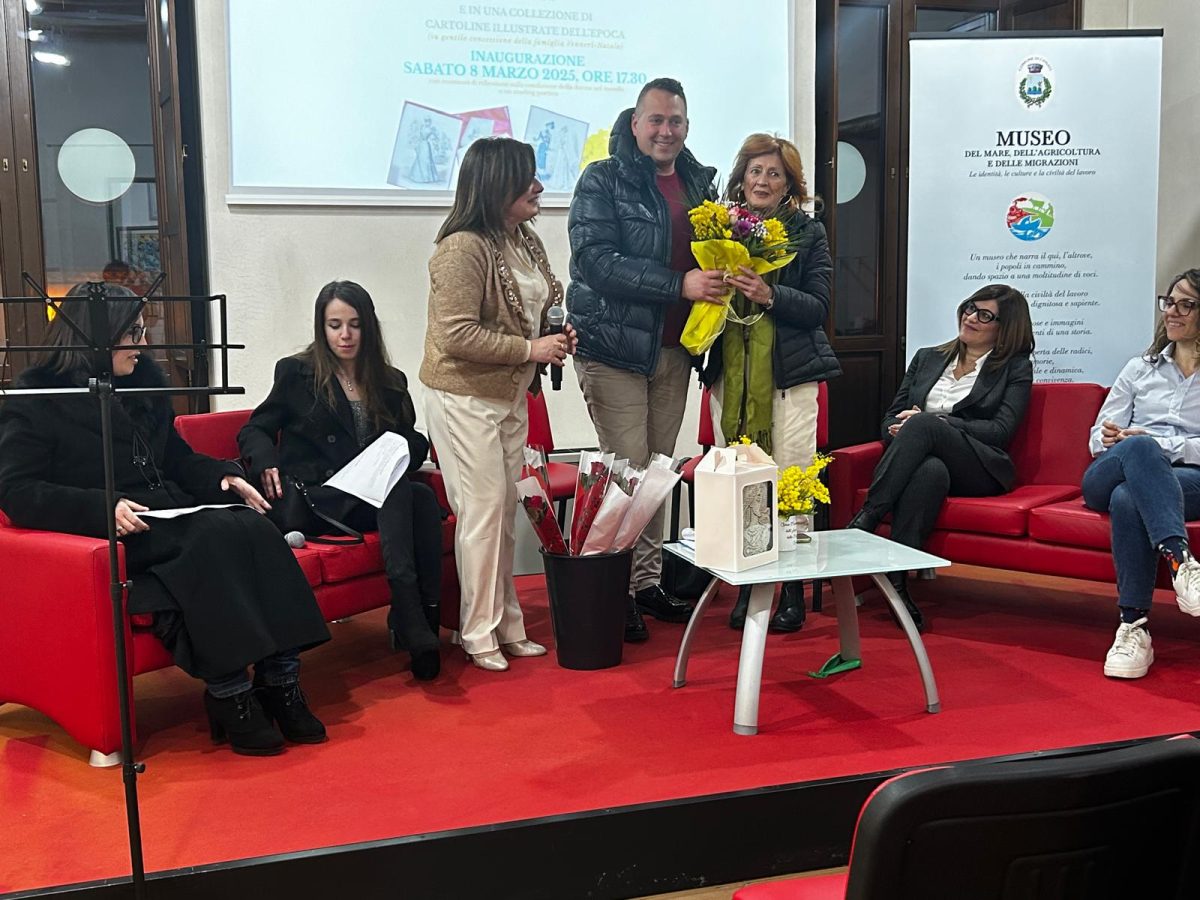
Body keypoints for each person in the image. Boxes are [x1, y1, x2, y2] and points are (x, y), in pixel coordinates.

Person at [0, 283, 330, 756]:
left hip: (168, 512)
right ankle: (231, 693)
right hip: (114, 526)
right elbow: (16, 489)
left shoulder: (144, 386)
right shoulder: (37, 399)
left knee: (254, 524)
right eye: (132, 333)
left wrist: (223, 476)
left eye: (143, 330)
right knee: (211, 539)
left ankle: (280, 682)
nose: (143, 344)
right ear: (96, 335)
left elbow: (176, 459)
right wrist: (102, 507)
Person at [567, 77, 725, 642]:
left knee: (657, 472)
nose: (666, 130)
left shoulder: (700, 183)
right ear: (634, 124)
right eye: (655, 120)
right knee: (627, 472)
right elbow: (596, 262)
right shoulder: (602, 179)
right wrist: (678, 284)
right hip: (613, 349)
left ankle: (647, 582)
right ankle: (615, 591)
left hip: (675, 350)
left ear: (687, 126)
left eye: (675, 121)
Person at [419, 136, 575, 673]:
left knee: (503, 511)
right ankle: (477, 633)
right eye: (527, 178)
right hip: (464, 396)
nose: (538, 186)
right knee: (482, 513)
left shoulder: (523, 239)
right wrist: (531, 349)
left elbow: (535, 309)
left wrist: (554, 336)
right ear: (496, 184)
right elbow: (456, 334)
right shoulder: (461, 248)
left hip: (508, 394)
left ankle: (507, 626)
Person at [238, 280, 443, 682]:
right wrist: (265, 461)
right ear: (322, 328)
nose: (345, 335)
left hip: (371, 498)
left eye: (354, 324)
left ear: (368, 327)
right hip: (321, 499)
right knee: (409, 495)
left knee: (412, 493)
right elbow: (255, 428)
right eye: (335, 325)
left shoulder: (390, 380)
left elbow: (412, 437)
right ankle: (415, 617)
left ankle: (418, 616)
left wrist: (401, 449)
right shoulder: (297, 373)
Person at [700, 133, 840, 634]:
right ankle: (748, 584)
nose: (762, 181)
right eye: (755, 171)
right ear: (741, 177)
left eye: (774, 174)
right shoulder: (721, 228)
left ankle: (792, 590)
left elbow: (819, 307)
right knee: (740, 481)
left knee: (791, 480)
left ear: (790, 185)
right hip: (730, 377)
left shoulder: (808, 232)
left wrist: (769, 294)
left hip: (790, 378)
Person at [846, 284, 1035, 630]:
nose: (971, 317)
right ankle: (898, 584)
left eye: (985, 315)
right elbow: (890, 416)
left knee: (924, 424)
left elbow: (1000, 431)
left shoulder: (1014, 367)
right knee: (929, 471)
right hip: (927, 460)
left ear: (1005, 328)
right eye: (970, 308)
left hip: (979, 467)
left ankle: (866, 519)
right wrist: (898, 429)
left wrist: (938, 424)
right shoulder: (928, 357)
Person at [1082, 269, 1200, 680]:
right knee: (1139, 453)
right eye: (1169, 302)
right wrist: (1110, 438)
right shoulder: (1139, 368)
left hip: (1186, 479)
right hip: (1109, 472)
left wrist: (1159, 444)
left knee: (1130, 498)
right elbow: (1096, 435)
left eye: (1187, 304)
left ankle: (1133, 625)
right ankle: (1182, 562)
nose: (1173, 312)